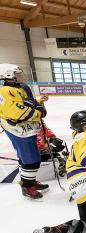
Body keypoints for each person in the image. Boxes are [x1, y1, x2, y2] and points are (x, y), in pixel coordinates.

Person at [0, 63, 48, 199]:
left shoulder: (18, 88)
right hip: (18, 130)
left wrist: (37, 105)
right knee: (31, 159)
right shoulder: (5, 91)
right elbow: (17, 112)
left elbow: (29, 103)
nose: (21, 76)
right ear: (8, 76)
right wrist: (38, 112)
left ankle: (29, 181)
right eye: (17, 74)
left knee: (28, 157)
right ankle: (27, 187)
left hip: (25, 129)